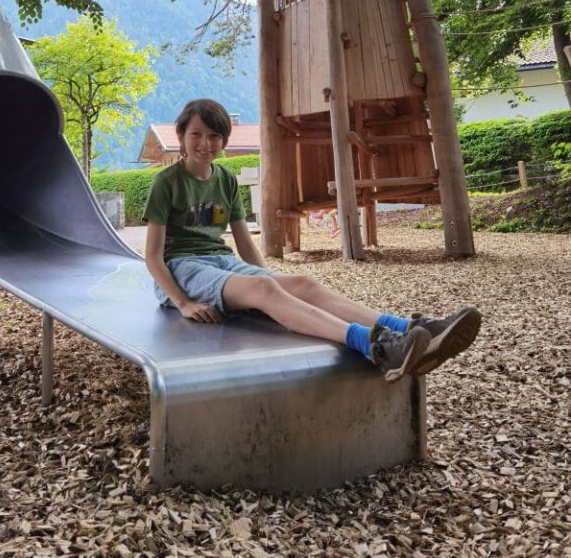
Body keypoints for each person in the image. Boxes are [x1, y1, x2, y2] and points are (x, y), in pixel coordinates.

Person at [143, 98, 481, 382]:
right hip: (181, 268)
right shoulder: (167, 183)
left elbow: (244, 243)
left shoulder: (226, 180)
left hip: (222, 262)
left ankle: (410, 328)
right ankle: (376, 346)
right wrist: (184, 303)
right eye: (196, 134)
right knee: (266, 291)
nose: (205, 143)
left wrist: (271, 280)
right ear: (181, 136)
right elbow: (154, 257)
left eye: (214, 135)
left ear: (224, 140)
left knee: (301, 282)